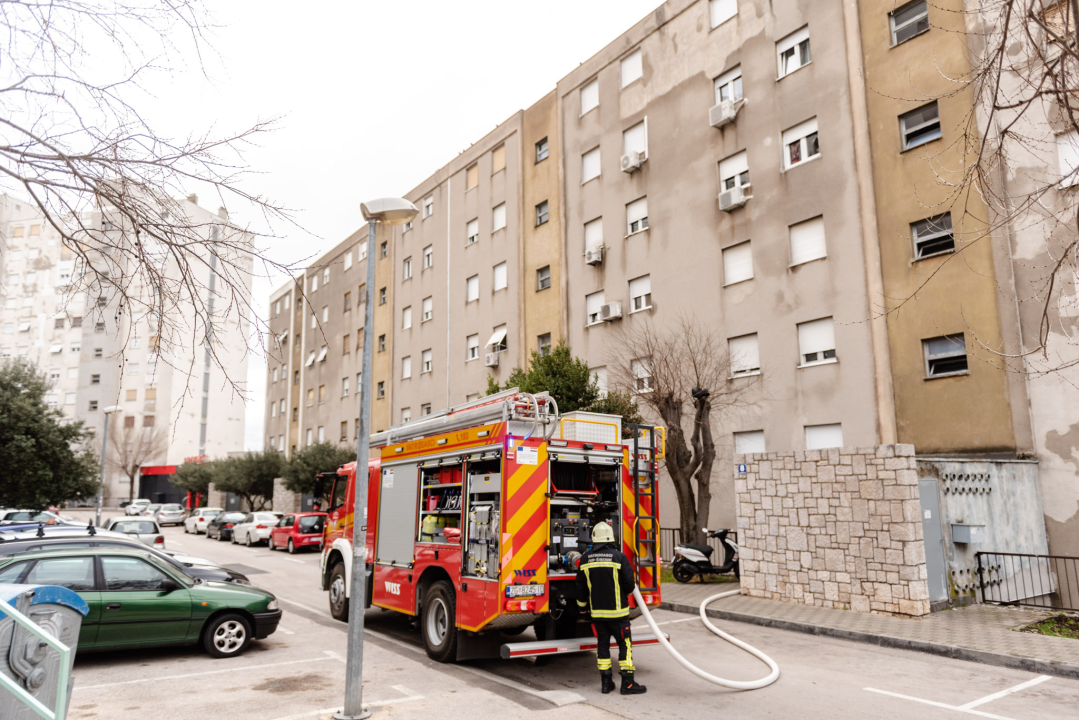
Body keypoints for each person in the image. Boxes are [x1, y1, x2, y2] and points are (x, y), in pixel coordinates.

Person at [574, 521, 647, 695]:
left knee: (603, 647)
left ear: (594, 539)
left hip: (597, 615)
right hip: (619, 615)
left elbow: (580, 588)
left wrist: (582, 609)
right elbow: (630, 585)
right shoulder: (619, 557)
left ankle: (606, 684)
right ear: (610, 538)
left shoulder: (585, 559)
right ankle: (628, 684)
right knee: (625, 646)